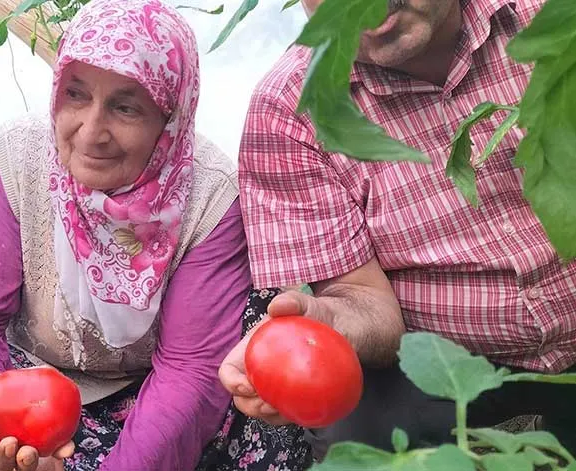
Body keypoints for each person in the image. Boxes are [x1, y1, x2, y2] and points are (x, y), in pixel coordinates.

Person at [0, 0, 312, 469]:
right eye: (76, 95)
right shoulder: (19, 157)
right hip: (28, 382)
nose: (91, 133)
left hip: (149, 390)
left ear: (169, 120)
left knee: (258, 390)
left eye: (126, 107)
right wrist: (4, 429)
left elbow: (189, 371)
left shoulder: (210, 198)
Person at [219, 0, 576, 459]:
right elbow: (362, 297)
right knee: (360, 432)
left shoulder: (548, 14)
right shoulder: (289, 112)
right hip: (448, 358)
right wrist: (328, 325)